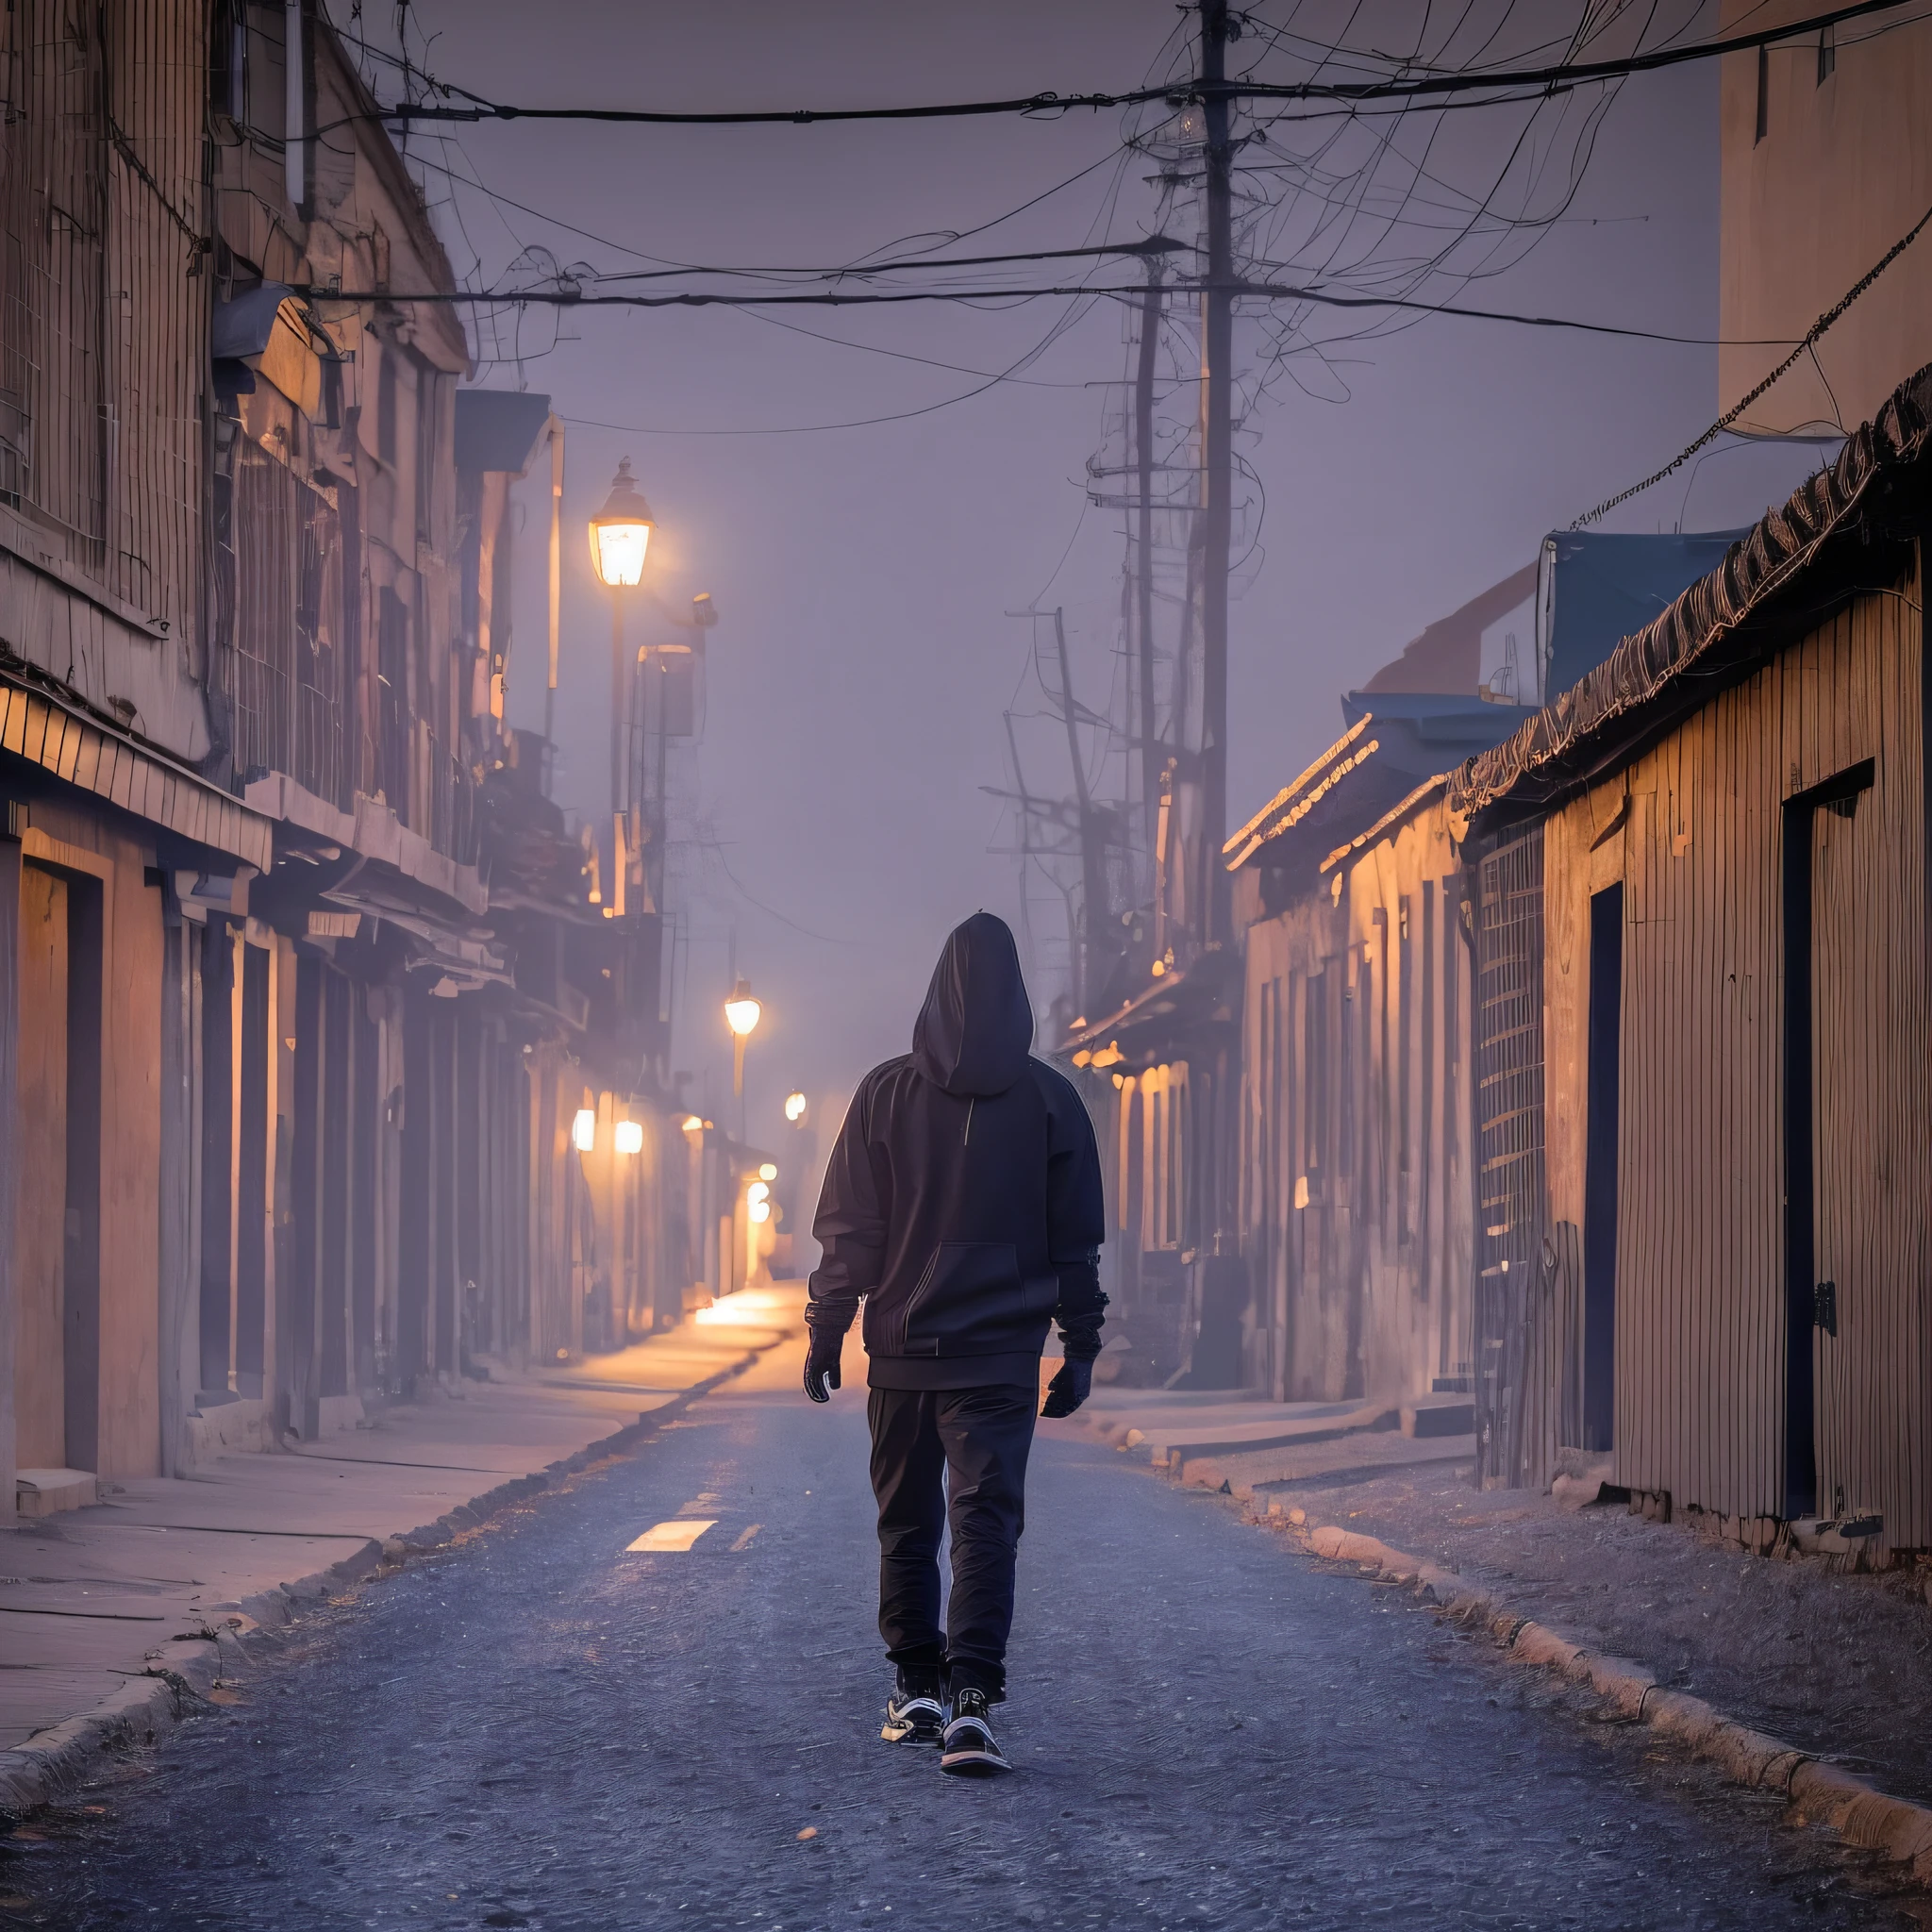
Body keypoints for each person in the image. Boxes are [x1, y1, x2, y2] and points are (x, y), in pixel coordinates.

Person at [802, 912, 1106, 1778]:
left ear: (934, 990)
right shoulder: (1053, 1102)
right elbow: (1074, 1243)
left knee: (906, 1524)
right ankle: (973, 1702)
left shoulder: (885, 1094)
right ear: (1020, 993)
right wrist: (1078, 1347)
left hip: (901, 1352)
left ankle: (915, 1691)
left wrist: (829, 1331)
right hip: (1002, 1359)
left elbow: (849, 1232)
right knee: (986, 1527)